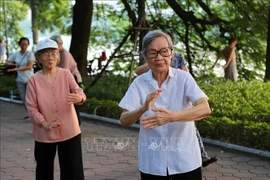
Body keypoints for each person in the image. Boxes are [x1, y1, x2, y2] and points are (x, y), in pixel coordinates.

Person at [119, 30, 211, 179]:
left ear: (172, 54)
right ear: (145, 56)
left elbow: (204, 108)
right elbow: (124, 119)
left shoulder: (184, 78)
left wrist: (172, 117)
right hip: (153, 163)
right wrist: (142, 109)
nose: (159, 57)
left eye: (164, 51)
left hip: (185, 161)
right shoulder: (139, 83)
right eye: (153, 53)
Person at [26, 38, 85, 180]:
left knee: (73, 168)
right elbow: (31, 107)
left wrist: (79, 98)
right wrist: (44, 123)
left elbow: (79, 91)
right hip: (44, 131)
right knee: (44, 169)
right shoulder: (34, 80)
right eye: (45, 54)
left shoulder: (66, 74)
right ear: (39, 58)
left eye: (53, 53)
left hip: (70, 129)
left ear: (58, 56)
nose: (50, 57)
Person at [50, 34, 83, 125]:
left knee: (73, 101)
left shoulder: (65, 54)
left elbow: (64, 72)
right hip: (66, 80)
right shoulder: (58, 54)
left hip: (73, 80)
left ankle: (76, 123)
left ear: (59, 44)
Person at [5, 37, 35, 118]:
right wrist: (11, 64)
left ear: (28, 45)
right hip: (20, 79)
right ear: (19, 45)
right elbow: (7, 61)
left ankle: (35, 114)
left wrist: (16, 68)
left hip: (30, 79)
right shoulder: (16, 54)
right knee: (23, 98)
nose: (24, 46)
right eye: (22, 44)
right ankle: (30, 114)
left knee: (31, 98)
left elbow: (29, 66)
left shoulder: (30, 54)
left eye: (26, 44)